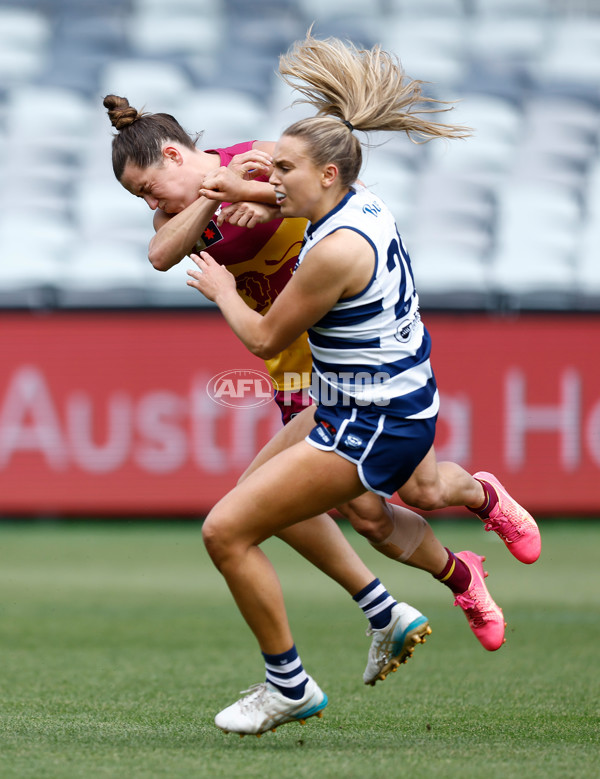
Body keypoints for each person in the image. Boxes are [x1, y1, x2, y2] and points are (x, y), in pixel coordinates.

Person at [103, 85, 538, 688]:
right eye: (139, 197)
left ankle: (460, 534)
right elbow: (160, 254)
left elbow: (311, 196)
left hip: (348, 357)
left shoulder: (256, 156)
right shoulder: (179, 210)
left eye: (148, 185)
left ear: (174, 155)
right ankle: (455, 576)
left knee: (394, 495)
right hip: (294, 366)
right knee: (368, 514)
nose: (148, 201)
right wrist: (210, 201)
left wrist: (259, 192)